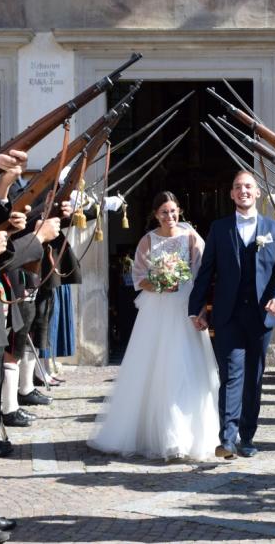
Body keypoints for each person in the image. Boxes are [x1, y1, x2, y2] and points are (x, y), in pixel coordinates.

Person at [88, 191, 220, 460]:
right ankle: (155, 433)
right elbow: (138, 277)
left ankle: (189, 434)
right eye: (164, 212)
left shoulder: (191, 236)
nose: (169, 217)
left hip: (185, 305)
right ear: (155, 215)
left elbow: (203, 271)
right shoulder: (148, 240)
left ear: (179, 210)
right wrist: (160, 283)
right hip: (158, 308)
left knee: (187, 365)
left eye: (173, 211)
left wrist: (199, 305)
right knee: (156, 364)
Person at [189, 171, 275, 459]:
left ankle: (247, 436)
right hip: (227, 316)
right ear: (232, 194)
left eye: (248, 186)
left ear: (257, 193)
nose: (243, 191)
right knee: (231, 375)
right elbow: (206, 271)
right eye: (237, 187)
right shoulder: (219, 229)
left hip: (261, 317)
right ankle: (227, 439)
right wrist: (195, 308)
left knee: (253, 377)